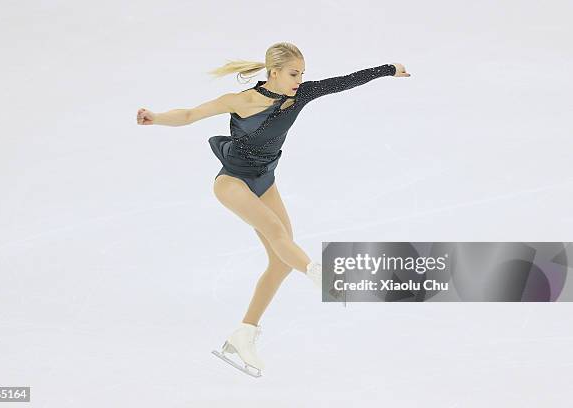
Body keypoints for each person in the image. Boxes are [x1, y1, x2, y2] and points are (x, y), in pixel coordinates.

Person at [137, 42, 410, 377]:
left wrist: (388, 69)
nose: (300, 79)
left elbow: (346, 80)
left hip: (265, 181)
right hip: (232, 182)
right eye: (294, 73)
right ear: (274, 72)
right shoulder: (242, 101)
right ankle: (323, 277)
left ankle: (244, 333)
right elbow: (192, 114)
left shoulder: (301, 95)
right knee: (279, 235)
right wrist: (157, 117)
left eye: (302, 74)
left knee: (281, 261)